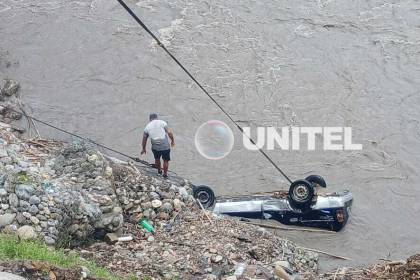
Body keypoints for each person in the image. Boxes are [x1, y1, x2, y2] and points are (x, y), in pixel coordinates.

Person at [141, 113, 175, 178]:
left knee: (157, 159)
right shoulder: (162, 123)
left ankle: (159, 171)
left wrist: (143, 148)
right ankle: (165, 174)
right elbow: (169, 132)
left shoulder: (147, 127)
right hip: (165, 146)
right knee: (165, 160)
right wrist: (172, 141)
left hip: (155, 147)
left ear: (150, 119)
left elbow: (144, 140)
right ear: (157, 118)